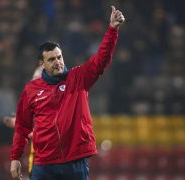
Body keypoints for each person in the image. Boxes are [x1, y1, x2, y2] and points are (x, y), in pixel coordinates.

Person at [10, 5, 125, 180]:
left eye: (59, 57)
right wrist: (15, 158)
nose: (57, 62)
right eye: (51, 59)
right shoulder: (31, 90)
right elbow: (22, 127)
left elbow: (101, 59)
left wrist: (112, 30)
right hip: (44, 164)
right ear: (42, 63)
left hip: (75, 162)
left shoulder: (77, 78)